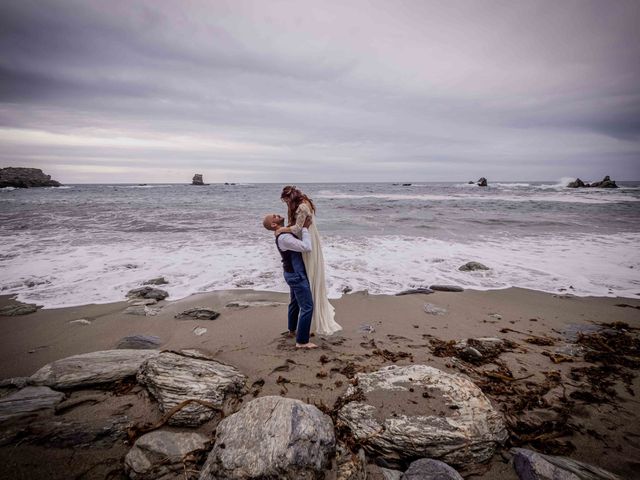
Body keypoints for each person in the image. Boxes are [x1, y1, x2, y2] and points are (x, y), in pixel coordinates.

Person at [277, 186, 342, 336]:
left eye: (286, 201)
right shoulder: (301, 204)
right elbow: (295, 226)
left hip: (307, 239)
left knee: (301, 288)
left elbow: (297, 228)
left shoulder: (302, 206)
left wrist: (281, 230)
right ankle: (293, 329)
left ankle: (297, 333)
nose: (286, 204)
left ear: (290, 197)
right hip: (306, 238)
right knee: (296, 293)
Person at [262, 212, 318, 349]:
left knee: (294, 303)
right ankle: (302, 341)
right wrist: (305, 228)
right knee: (307, 307)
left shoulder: (283, 233)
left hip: (291, 274)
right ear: (274, 225)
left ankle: (292, 330)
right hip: (296, 276)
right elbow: (306, 247)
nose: (277, 214)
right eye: (274, 216)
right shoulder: (284, 237)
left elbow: (293, 227)